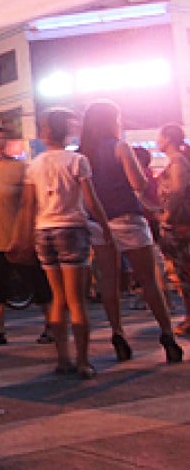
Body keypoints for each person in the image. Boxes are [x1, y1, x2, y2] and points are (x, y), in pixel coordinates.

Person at [78, 101, 181, 363]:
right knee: (149, 280)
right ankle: (167, 334)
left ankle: (117, 334)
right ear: (112, 121)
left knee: (109, 283)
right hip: (128, 219)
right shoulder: (120, 147)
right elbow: (139, 182)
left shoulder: (83, 153)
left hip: (99, 223)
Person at [18, 108, 113, 379]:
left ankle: (63, 358)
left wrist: (22, 237)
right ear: (67, 131)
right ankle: (83, 361)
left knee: (57, 298)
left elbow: (28, 205)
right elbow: (92, 201)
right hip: (72, 229)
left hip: (43, 231)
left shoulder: (33, 164)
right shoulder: (77, 161)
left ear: (44, 133)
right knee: (77, 300)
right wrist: (106, 228)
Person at [0, 125, 53, 347]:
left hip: (20, 239)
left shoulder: (22, 168)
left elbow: (31, 202)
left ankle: (51, 325)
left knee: (37, 282)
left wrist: (26, 234)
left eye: (0, 139)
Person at [156, 123, 190, 336]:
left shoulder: (177, 163)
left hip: (180, 226)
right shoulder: (177, 162)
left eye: (159, 137)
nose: (158, 141)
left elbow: (177, 192)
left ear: (168, 139)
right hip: (178, 225)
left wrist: (166, 217)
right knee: (181, 274)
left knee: (184, 273)